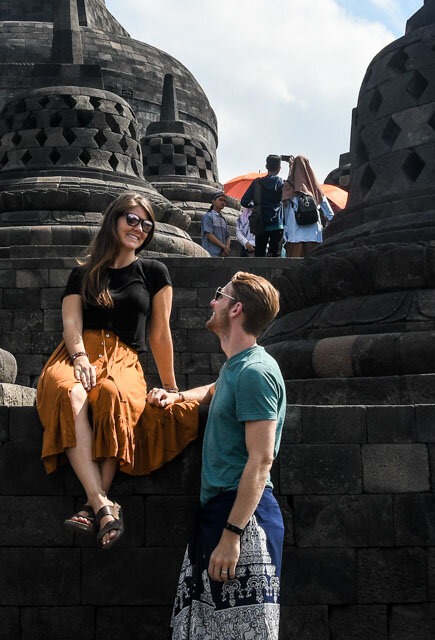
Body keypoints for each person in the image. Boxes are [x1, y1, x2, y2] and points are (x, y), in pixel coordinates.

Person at [35, 193, 199, 549]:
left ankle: (95, 503)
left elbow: (159, 333)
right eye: (132, 219)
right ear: (114, 220)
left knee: (112, 395)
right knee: (70, 392)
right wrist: (79, 357)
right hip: (75, 355)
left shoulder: (154, 272)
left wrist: (170, 386)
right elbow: (71, 324)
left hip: (124, 359)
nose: (139, 229)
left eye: (146, 224)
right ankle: (105, 506)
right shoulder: (83, 273)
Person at [154, 271, 286, 639]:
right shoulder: (236, 366)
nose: (212, 301)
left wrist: (232, 535)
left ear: (236, 309)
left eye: (219, 295)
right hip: (219, 512)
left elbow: (261, 459)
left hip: (244, 518)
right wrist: (177, 396)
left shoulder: (256, 372)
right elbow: (214, 389)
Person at [279, 155, 335, 259]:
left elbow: (285, 212)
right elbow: (328, 211)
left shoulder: (288, 186)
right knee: (313, 264)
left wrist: (286, 230)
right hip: (313, 233)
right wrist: (331, 221)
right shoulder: (314, 185)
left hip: (295, 233)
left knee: (294, 266)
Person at [239, 155, 286, 258]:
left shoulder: (257, 182)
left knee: (259, 254)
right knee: (275, 255)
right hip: (276, 223)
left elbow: (244, 201)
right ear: (279, 169)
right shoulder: (281, 183)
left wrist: (254, 205)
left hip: (260, 223)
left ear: (266, 166)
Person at [200, 192, 231, 257]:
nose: (222, 202)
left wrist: (226, 248)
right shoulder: (208, 216)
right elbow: (209, 235)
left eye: (224, 201)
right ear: (213, 202)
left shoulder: (223, 219)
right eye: (220, 200)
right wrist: (224, 247)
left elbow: (227, 236)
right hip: (210, 252)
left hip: (222, 253)